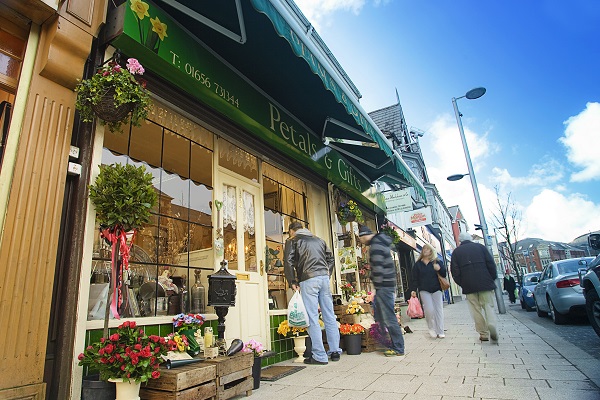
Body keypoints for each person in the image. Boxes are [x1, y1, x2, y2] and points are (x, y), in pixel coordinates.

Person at [284, 221, 341, 365]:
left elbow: (288, 262)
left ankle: (319, 356)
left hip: (308, 279)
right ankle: (335, 351)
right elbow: (331, 258)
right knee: (329, 315)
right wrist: (326, 273)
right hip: (323, 278)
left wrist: (292, 281)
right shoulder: (319, 240)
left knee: (312, 318)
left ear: (292, 231)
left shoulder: (292, 240)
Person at [358, 226, 405, 357]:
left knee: (389, 317)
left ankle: (398, 347)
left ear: (364, 236)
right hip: (387, 285)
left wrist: (375, 288)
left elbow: (378, 268)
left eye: (360, 238)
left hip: (383, 286)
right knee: (382, 316)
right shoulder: (380, 242)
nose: (361, 241)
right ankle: (390, 343)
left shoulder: (376, 246)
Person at [451, 232, 499, 342]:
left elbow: (455, 271)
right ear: (471, 238)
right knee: (488, 305)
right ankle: (491, 323)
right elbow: (491, 264)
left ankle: (483, 333)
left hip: (469, 285)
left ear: (460, 241)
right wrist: (491, 278)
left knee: (475, 309)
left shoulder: (456, 252)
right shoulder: (481, 248)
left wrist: (462, 283)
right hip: (485, 282)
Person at [412, 244, 447, 338]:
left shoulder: (436, 262)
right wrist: (413, 290)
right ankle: (431, 328)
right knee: (429, 310)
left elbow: (444, 273)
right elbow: (415, 278)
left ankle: (440, 330)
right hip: (424, 289)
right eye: (424, 249)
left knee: (438, 310)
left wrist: (439, 269)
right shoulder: (418, 264)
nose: (425, 250)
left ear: (431, 251)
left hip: (436, 289)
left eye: (427, 249)